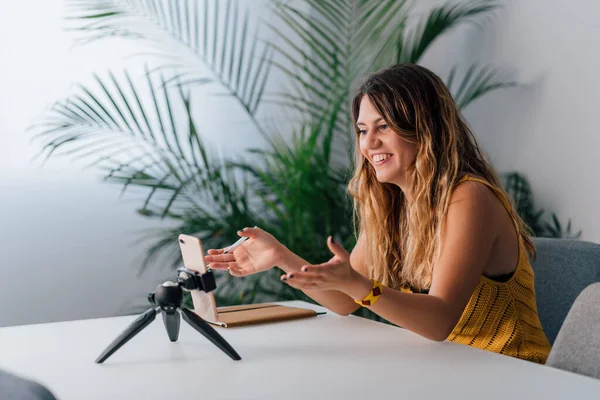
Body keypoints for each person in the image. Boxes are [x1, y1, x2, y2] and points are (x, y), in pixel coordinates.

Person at [204, 63, 552, 364]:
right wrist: (280, 256)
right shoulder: (394, 207)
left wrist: (360, 286)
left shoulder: (469, 197)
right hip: (448, 368)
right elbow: (343, 300)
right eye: (362, 130)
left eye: (383, 127)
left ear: (424, 129)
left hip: (514, 372)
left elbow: (439, 320)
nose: (369, 144)